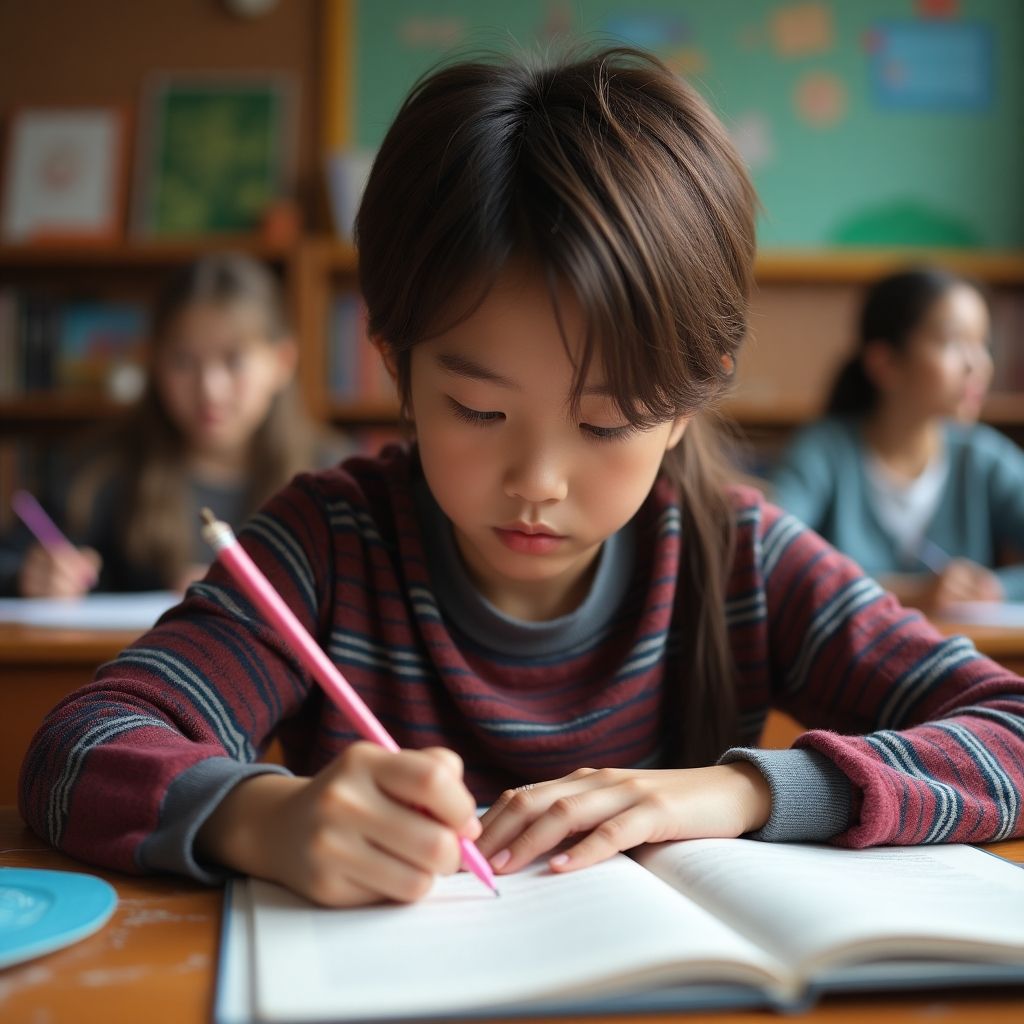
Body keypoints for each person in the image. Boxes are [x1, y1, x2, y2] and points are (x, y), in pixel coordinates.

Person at [20, 47, 1023, 910]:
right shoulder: (331, 545)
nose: (537, 479)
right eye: (479, 411)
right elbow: (77, 749)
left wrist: (739, 791)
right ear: (394, 362)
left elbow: (1009, 729)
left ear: (687, 399)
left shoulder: (737, 558)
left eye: (606, 422)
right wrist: (263, 815)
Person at [1, 252, 326, 596]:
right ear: (154, 362)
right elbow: (8, 560)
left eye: (234, 361)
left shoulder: (332, 477)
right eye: (183, 360)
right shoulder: (96, 471)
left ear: (282, 362)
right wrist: (27, 576)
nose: (209, 390)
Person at [772, 268, 1024, 614]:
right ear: (885, 363)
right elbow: (771, 554)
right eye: (953, 343)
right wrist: (907, 592)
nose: (978, 365)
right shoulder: (823, 452)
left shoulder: (984, 457)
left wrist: (995, 588)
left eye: (984, 345)